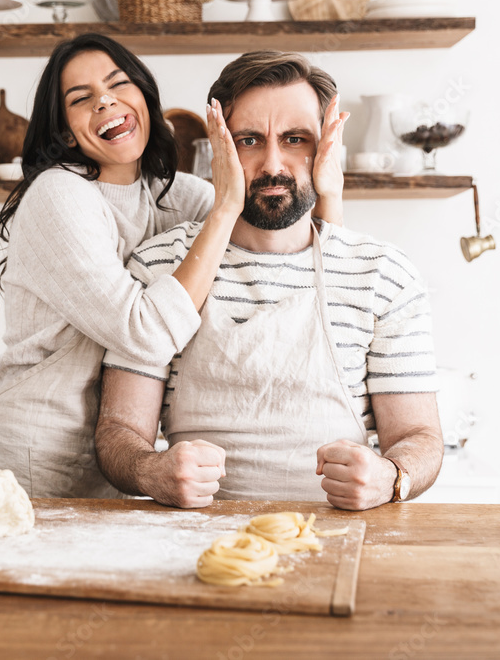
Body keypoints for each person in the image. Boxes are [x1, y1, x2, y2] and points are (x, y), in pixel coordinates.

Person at [0, 35, 349, 498]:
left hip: (119, 459)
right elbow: (143, 332)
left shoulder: (175, 196)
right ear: (67, 131)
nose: (105, 101)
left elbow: (283, 239)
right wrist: (226, 204)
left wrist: (327, 190)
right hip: (34, 458)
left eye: (117, 85)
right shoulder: (59, 195)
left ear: (145, 100)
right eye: (81, 98)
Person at [95, 50, 444, 511]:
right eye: (249, 140)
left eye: (296, 138)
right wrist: (150, 470)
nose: (274, 164)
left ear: (325, 147)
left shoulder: (384, 275)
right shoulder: (158, 266)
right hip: (193, 542)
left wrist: (391, 475)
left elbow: (420, 436)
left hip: (339, 540)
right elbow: (117, 433)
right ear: (219, 145)